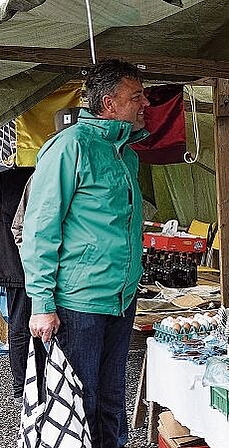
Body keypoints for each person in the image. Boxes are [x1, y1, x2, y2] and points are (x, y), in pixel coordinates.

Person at [21, 58, 150, 448]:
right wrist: (42, 303)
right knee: (78, 402)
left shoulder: (127, 154)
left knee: (112, 401)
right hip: (78, 303)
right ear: (109, 103)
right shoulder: (70, 146)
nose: (146, 103)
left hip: (120, 299)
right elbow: (40, 228)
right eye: (137, 96)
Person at [0, 167, 46, 407]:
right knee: (24, 326)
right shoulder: (29, 179)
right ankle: (24, 387)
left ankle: (25, 385)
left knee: (22, 325)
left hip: (13, 265)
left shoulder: (9, 179)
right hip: (22, 265)